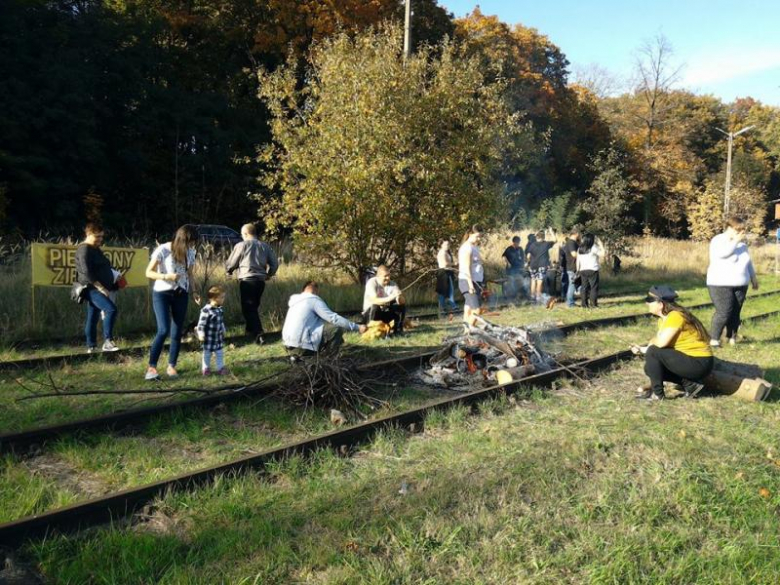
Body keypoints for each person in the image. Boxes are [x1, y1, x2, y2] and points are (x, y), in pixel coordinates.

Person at [631, 285, 714, 401]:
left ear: (661, 304)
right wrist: (642, 349)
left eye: (650, 300)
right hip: (690, 360)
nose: (646, 303)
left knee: (653, 352)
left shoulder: (675, 316)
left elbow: (660, 344)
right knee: (650, 368)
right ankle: (690, 384)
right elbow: (659, 343)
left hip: (699, 362)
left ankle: (657, 395)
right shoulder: (663, 320)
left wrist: (650, 346)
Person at [145, 225, 200, 380]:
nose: (191, 246)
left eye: (193, 243)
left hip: (181, 293)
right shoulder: (164, 250)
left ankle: (172, 366)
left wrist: (194, 291)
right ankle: (152, 368)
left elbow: (190, 274)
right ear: (181, 240)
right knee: (163, 330)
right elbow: (148, 272)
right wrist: (166, 277)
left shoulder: (191, 253)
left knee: (176, 332)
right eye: (190, 243)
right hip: (162, 293)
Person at [706, 217, 759, 347]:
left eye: (742, 230)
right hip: (720, 283)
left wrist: (753, 277)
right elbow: (723, 254)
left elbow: (748, 262)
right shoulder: (718, 240)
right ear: (729, 228)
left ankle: (732, 338)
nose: (740, 233)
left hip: (741, 283)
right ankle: (714, 340)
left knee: (735, 312)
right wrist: (735, 241)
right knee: (724, 312)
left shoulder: (742, 245)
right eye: (738, 230)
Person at [225, 223, 279, 345]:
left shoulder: (241, 245)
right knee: (253, 307)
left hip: (247, 280)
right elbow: (275, 264)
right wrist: (269, 274)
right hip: (260, 281)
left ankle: (259, 334)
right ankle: (250, 332)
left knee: (248, 308)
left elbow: (232, 262)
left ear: (245, 234)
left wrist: (229, 270)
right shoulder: (265, 246)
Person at [283, 281, 367, 356]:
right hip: (302, 346)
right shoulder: (313, 300)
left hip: (288, 345)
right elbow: (333, 318)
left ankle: (298, 356)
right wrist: (357, 327)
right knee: (335, 329)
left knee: (327, 330)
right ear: (316, 291)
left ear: (303, 291)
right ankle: (329, 360)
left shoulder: (295, 302)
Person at [75, 222, 120, 353]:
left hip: (100, 287)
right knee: (111, 310)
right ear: (88, 234)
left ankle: (91, 346)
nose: (100, 239)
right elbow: (86, 271)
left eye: (101, 237)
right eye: (97, 236)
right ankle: (108, 341)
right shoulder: (84, 249)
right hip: (91, 288)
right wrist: (100, 287)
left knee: (93, 316)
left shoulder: (95, 248)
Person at [363, 265, 406, 334]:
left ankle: (398, 330)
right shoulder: (372, 283)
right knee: (375, 306)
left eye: (389, 275)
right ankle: (370, 330)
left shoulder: (392, 284)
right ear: (378, 276)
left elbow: (402, 302)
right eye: (385, 276)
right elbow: (374, 300)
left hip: (384, 312)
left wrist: (399, 296)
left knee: (400, 306)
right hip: (370, 313)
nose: (388, 278)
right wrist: (390, 298)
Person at [197, 285, 228, 376]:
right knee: (207, 354)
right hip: (209, 338)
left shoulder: (219, 309)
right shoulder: (206, 310)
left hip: (217, 337)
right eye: (222, 297)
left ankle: (220, 368)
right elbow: (201, 324)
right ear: (214, 298)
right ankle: (205, 368)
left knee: (219, 353)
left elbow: (221, 321)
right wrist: (200, 334)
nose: (223, 299)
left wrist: (223, 329)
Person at [458, 225, 485, 325]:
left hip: (475, 280)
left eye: (480, 237)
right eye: (477, 236)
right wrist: (470, 285)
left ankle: (466, 332)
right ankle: (470, 329)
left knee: (468, 308)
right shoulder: (466, 248)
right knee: (477, 309)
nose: (479, 239)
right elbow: (466, 268)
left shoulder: (474, 247)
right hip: (467, 281)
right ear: (470, 234)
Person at [525, 230, 554, 304]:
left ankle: (532, 297)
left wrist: (528, 263)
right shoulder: (546, 244)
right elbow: (555, 240)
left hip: (532, 266)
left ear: (536, 237)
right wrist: (551, 232)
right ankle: (538, 298)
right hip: (542, 266)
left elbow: (528, 256)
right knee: (539, 282)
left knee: (533, 280)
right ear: (543, 237)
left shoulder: (532, 245)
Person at [575, 233, 602, 308]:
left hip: (582, 270)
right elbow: (602, 254)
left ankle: (584, 304)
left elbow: (578, 260)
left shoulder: (580, 248)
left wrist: (578, 270)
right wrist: (600, 244)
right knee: (593, 287)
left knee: (584, 287)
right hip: (593, 269)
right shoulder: (593, 247)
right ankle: (593, 304)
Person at [435, 241, 457, 316]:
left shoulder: (447, 252)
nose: (447, 245)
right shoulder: (442, 253)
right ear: (441, 245)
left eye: (448, 244)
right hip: (443, 273)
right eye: (445, 244)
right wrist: (454, 264)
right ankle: (449, 307)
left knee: (449, 290)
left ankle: (447, 307)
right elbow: (444, 264)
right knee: (443, 292)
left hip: (448, 272)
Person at [559, 229, 579, 307]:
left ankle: (571, 301)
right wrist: (584, 256)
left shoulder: (571, 242)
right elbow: (574, 254)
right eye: (579, 234)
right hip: (572, 266)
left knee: (573, 284)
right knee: (572, 285)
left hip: (571, 266)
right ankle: (570, 303)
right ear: (576, 234)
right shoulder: (571, 243)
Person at [502, 235, 525, 300]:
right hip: (510, 269)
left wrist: (523, 265)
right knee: (511, 282)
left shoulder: (520, 249)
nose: (518, 244)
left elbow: (523, 258)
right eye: (517, 242)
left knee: (520, 281)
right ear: (514, 242)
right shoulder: (509, 249)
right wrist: (507, 263)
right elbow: (504, 256)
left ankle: (518, 295)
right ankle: (510, 295)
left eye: (519, 242)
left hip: (519, 268)